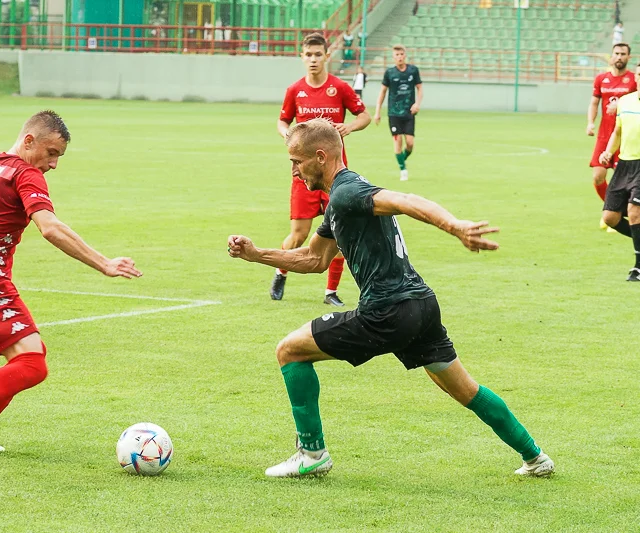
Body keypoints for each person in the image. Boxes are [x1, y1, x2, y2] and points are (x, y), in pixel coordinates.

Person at [228, 118, 555, 478]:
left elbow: (406, 199)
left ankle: (311, 452)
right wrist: (257, 254)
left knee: (289, 350)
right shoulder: (340, 201)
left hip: (388, 310)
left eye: (297, 160)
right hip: (421, 305)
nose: (293, 170)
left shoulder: (347, 193)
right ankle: (535, 457)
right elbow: (314, 259)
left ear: (320, 156)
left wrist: (455, 226)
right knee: (465, 389)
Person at [0, 111, 142, 468]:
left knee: (29, 353)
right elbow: (50, 228)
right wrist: (104, 263)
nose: (53, 164)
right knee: (32, 365)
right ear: (28, 141)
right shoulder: (26, 173)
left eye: (59, 157)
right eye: (51, 153)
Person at [274, 32, 371, 306]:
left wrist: (349, 126)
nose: (314, 59)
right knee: (299, 233)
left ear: (327, 56)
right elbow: (282, 121)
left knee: (341, 232)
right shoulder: (295, 90)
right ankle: (281, 272)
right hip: (303, 175)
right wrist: (288, 135)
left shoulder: (339, 88)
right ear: (302, 57)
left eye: (318, 54)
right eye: (309, 55)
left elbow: (364, 115)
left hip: (336, 175)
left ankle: (331, 292)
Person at [599, 61, 640, 280]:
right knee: (610, 217)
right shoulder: (625, 102)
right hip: (624, 164)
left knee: (634, 212)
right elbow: (617, 131)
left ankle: (638, 266)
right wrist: (608, 152)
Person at [588, 43, 636, 230]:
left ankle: (615, 214)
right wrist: (590, 122)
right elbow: (594, 103)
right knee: (598, 176)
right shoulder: (601, 79)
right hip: (604, 136)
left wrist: (621, 104)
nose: (619, 57)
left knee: (621, 180)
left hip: (624, 135)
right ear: (611, 55)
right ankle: (612, 209)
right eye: (616, 53)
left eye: (623, 54)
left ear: (628, 58)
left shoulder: (633, 80)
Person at [374, 45, 423, 181]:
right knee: (398, 141)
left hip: (409, 112)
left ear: (405, 55)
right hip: (394, 113)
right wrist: (377, 111)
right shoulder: (390, 73)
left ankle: (402, 159)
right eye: (397, 55)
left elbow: (420, 89)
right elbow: (382, 92)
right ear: (393, 57)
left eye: (402, 54)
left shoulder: (413, 71)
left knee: (410, 143)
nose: (400, 57)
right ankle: (403, 170)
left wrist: (417, 104)